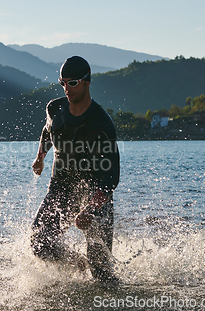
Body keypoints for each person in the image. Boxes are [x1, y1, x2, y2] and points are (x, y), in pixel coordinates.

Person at [31, 56, 120, 282]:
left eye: (73, 83)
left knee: (102, 273)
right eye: (63, 82)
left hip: (95, 194)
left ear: (87, 81)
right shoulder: (55, 108)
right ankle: (77, 261)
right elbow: (48, 131)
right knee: (39, 242)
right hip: (61, 187)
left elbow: (111, 178)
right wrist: (40, 157)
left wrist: (90, 210)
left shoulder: (102, 124)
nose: (67, 88)